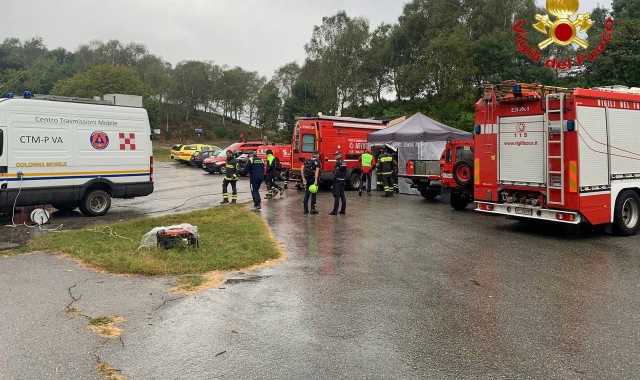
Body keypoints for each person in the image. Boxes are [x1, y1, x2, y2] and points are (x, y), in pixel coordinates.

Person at [302, 150, 322, 214]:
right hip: (313, 179)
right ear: (316, 155)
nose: (319, 155)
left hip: (307, 178)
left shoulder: (307, 160)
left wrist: (303, 178)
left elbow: (302, 168)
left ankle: (305, 209)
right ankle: (312, 209)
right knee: (313, 194)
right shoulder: (318, 161)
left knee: (307, 194)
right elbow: (317, 171)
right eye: (318, 154)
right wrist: (316, 180)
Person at [329, 151, 347, 215]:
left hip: (338, 181)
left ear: (340, 155)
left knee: (337, 196)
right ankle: (343, 210)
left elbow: (337, 172)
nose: (335, 156)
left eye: (336, 155)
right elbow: (345, 171)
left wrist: (333, 179)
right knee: (342, 196)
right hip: (342, 180)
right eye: (334, 155)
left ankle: (335, 211)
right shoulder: (344, 162)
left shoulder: (338, 162)